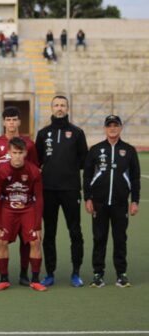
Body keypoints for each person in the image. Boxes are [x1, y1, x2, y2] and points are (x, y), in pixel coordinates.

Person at [35, 95, 88, 287]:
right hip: (48, 190)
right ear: (51, 108)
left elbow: (84, 160)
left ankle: (76, 273)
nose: (59, 108)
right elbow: (37, 160)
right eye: (56, 105)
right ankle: (50, 273)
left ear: (67, 108)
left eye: (63, 105)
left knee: (75, 232)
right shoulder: (43, 134)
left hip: (71, 189)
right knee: (49, 233)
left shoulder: (77, 133)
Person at [83, 115, 140, 288]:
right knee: (99, 238)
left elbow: (135, 178)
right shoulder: (95, 149)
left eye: (116, 125)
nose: (113, 128)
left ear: (121, 128)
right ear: (105, 128)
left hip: (120, 203)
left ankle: (121, 274)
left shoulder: (129, 150)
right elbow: (86, 176)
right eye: (109, 126)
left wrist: (134, 201)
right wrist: (88, 198)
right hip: (99, 204)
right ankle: (98, 274)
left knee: (120, 239)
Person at [0, 106, 39, 286]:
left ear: (19, 121)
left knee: (28, 241)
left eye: (14, 119)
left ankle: (24, 274)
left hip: (25, 200)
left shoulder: (29, 144)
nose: (11, 123)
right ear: (3, 122)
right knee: (1, 238)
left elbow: (33, 170)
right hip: (4, 200)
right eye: (8, 119)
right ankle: (3, 277)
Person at [0, 137, 46, 292]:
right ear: (9, 152)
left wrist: (38, 224)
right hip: (7, 209)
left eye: (20, 153)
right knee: (1, 241)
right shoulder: (1, 171)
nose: (17, 156)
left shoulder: (33, 171)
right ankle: (4, 279)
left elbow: (39, 199)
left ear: (25, 153)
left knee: (35, 241)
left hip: (27, 209)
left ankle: (35, 279)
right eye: (14, 152)